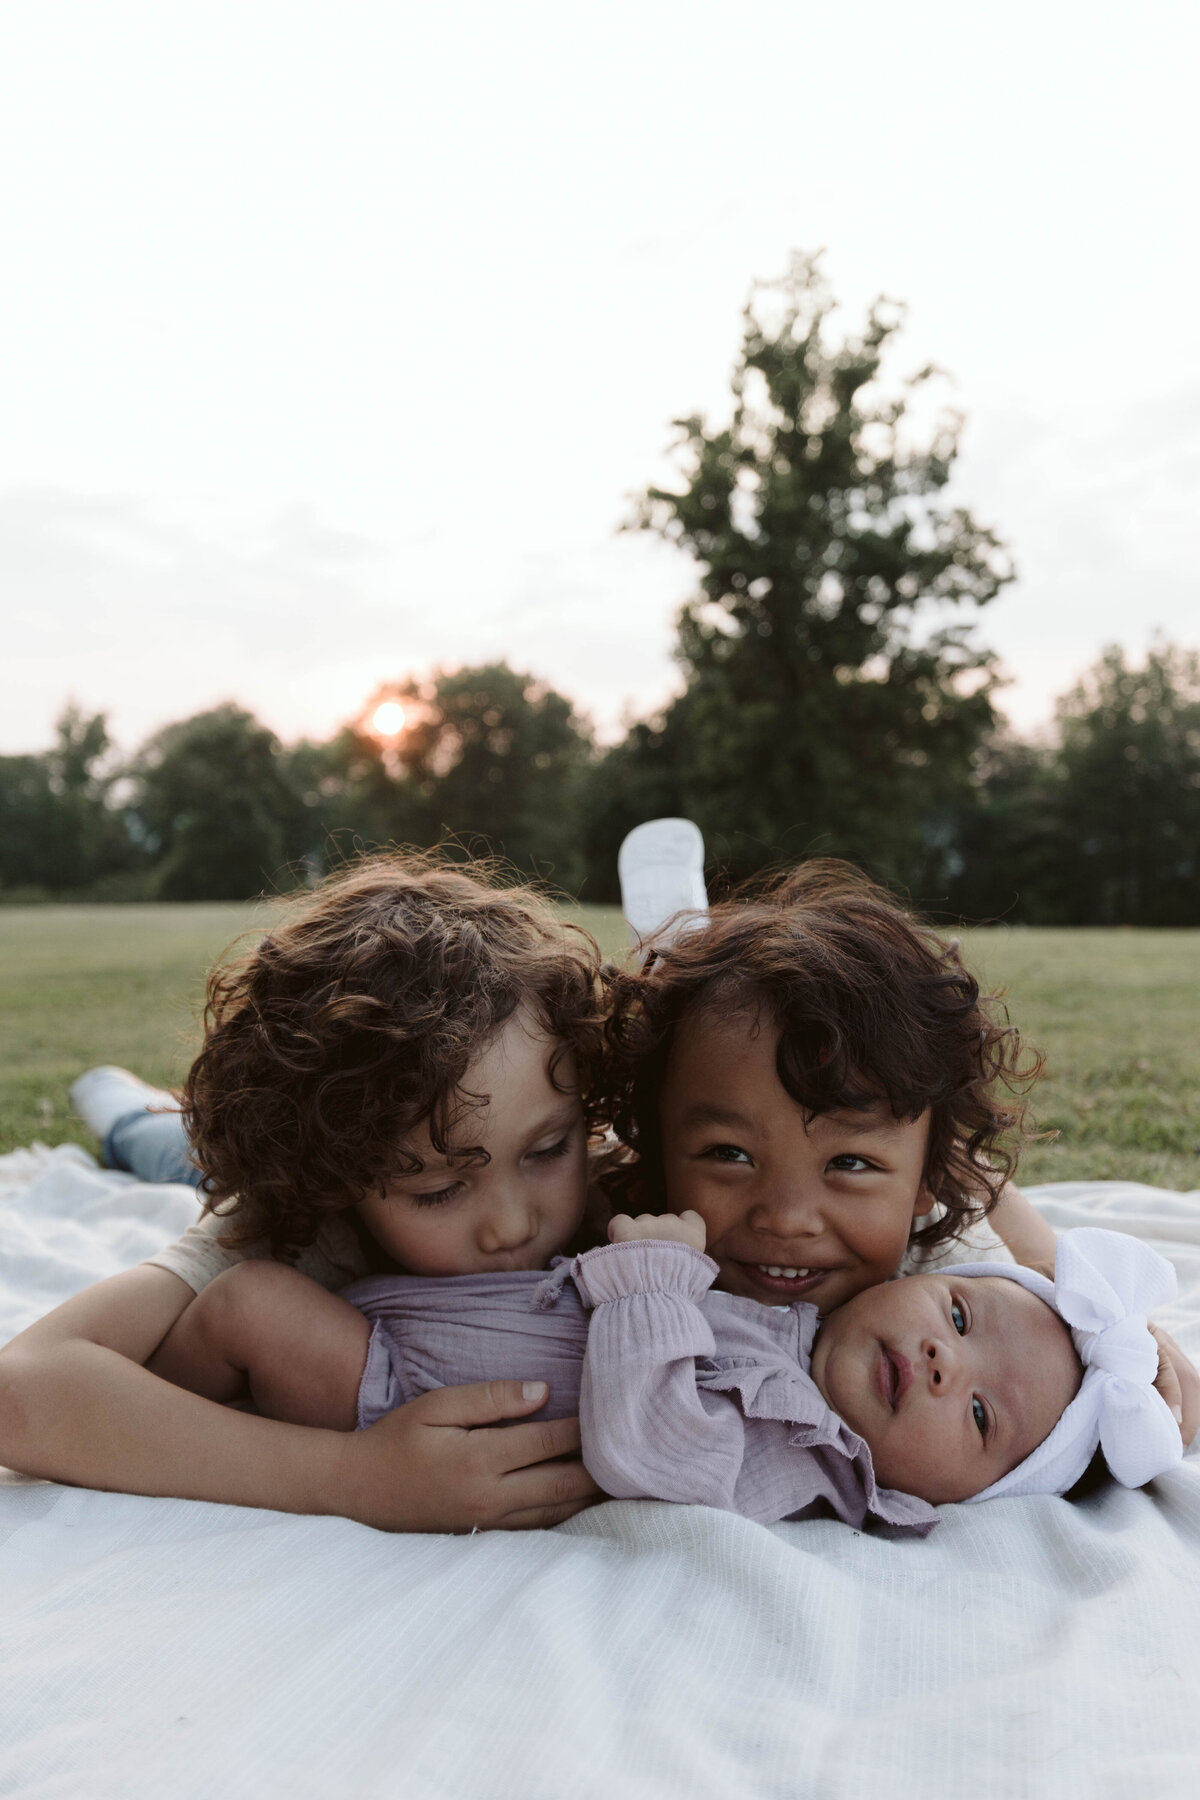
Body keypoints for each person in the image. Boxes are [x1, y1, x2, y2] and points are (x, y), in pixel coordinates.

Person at [0, 854, 611, 1532]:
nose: (511, 1224)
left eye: (548, 1150)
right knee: (164, 1146)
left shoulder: (607, 1180)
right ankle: (115, 1099)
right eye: (438, 1191)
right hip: (211, 1164)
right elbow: (20, 1391)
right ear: (338, 1181)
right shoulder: (292, 1222)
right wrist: (354, 1478)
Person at [143, 1210, 1185, 1526]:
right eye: (955, 1315)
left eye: (981, 1420)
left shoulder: (802, 1450)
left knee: (243, 1309)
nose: (940, 1361)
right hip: (423, 1308)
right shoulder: (801, 1325)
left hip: (404, 1387)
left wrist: (649, 1285)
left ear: (950, 1496)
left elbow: (657, 1452)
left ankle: (161, 1439)